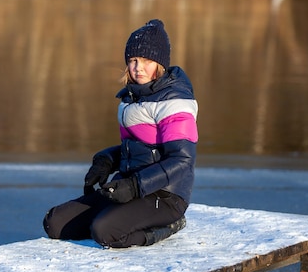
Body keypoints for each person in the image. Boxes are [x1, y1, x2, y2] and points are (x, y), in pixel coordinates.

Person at [43, 19, 198, 248]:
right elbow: (137, 148)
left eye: (147, 61)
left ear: (160, 64)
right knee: (55, 224)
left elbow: (182, 160)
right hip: (129, 187)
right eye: (133, 60)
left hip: (164, 196)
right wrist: (105, 161)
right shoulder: (131, 98)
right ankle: (118, 216)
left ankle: (166, 228)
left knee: (105, 231)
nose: (139, 67)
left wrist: (135, 186)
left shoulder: (174, 101)